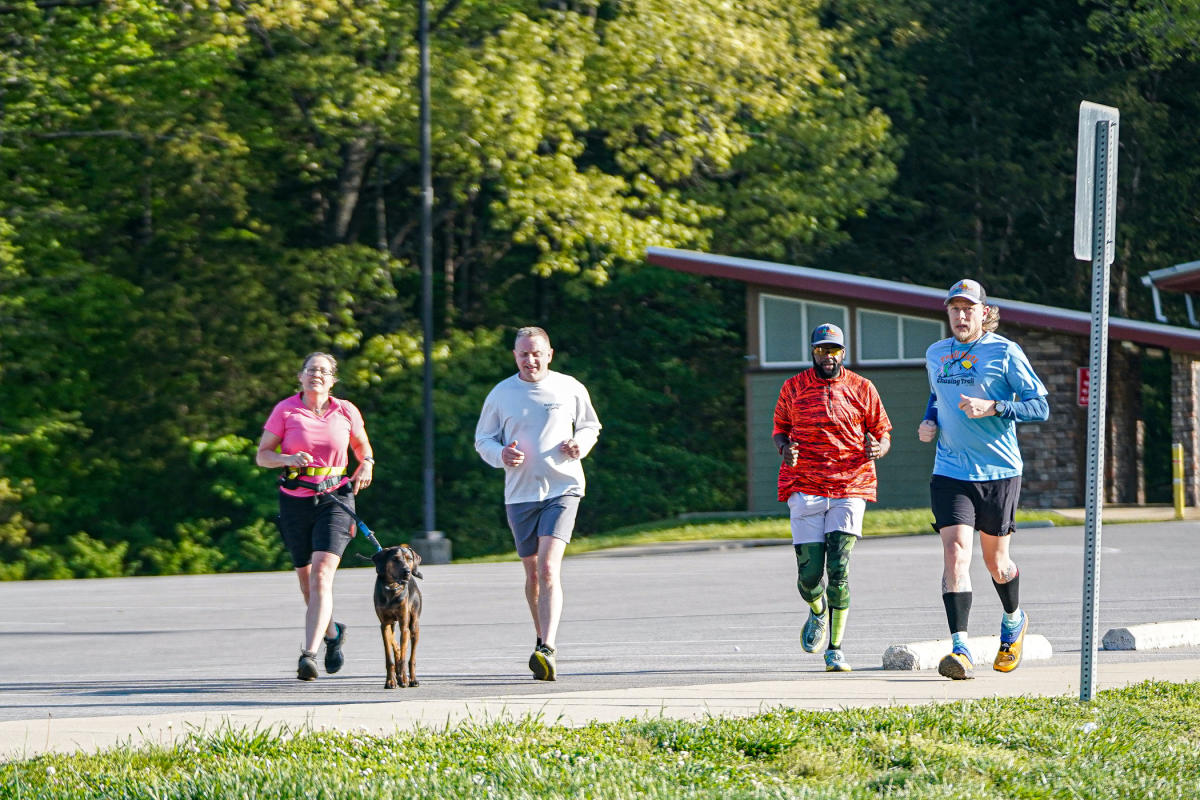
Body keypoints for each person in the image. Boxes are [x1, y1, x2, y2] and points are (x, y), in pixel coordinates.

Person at [917, 279, 1049, 680]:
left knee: (997, 563)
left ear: (983, 313)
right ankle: (960, 648)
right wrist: (930, 419)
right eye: (954, 309)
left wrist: (992, 406)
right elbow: (938, 395)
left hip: (999, 472)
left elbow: (1039, 406)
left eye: (968, 309)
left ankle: (1013, 620)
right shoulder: (936, 353)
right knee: (956, 551)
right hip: (950, 471)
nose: (960, 315)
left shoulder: (1005, 352)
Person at [474, 326, 602, 681]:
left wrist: (581, 444)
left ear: (549, 354)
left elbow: (591, 425)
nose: (530, 360)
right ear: (515, 356)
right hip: (520, 494)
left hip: (564, 488)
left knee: (547, 567)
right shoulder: (501, 394)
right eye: (523, 354)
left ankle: (548, 647)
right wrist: (501, 454)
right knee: (532, 573)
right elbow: (482, 438)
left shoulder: (569, 387)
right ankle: (541, 638)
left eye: (536, 353)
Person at [772, 323, 892, 673]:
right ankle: (817, 611)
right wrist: (786, 449)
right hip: (805, 484)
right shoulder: (793, 388)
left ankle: (836, 650)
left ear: (843, 352)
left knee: (838, 570)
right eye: (823, 349)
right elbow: (780, 429)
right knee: (810, 577)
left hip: (850, 486)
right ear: (813, 351)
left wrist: (878, 449)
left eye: (834, 350)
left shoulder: (862, 388)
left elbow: (882, 431)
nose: (829, 356)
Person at [256, 352, 375, 681]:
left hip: (335, 497)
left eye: (323, 371)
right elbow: (262, 456)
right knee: (308, 583)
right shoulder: (286, 410)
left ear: (333, 379)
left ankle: (308, 655)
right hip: (295, 500)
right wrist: (287, 458)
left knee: (322, 574)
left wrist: (366, 464)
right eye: (311, 370)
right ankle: (333, 632)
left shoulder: (346, 410)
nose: (316, 375)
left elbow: (363, 449)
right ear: (301, 376)